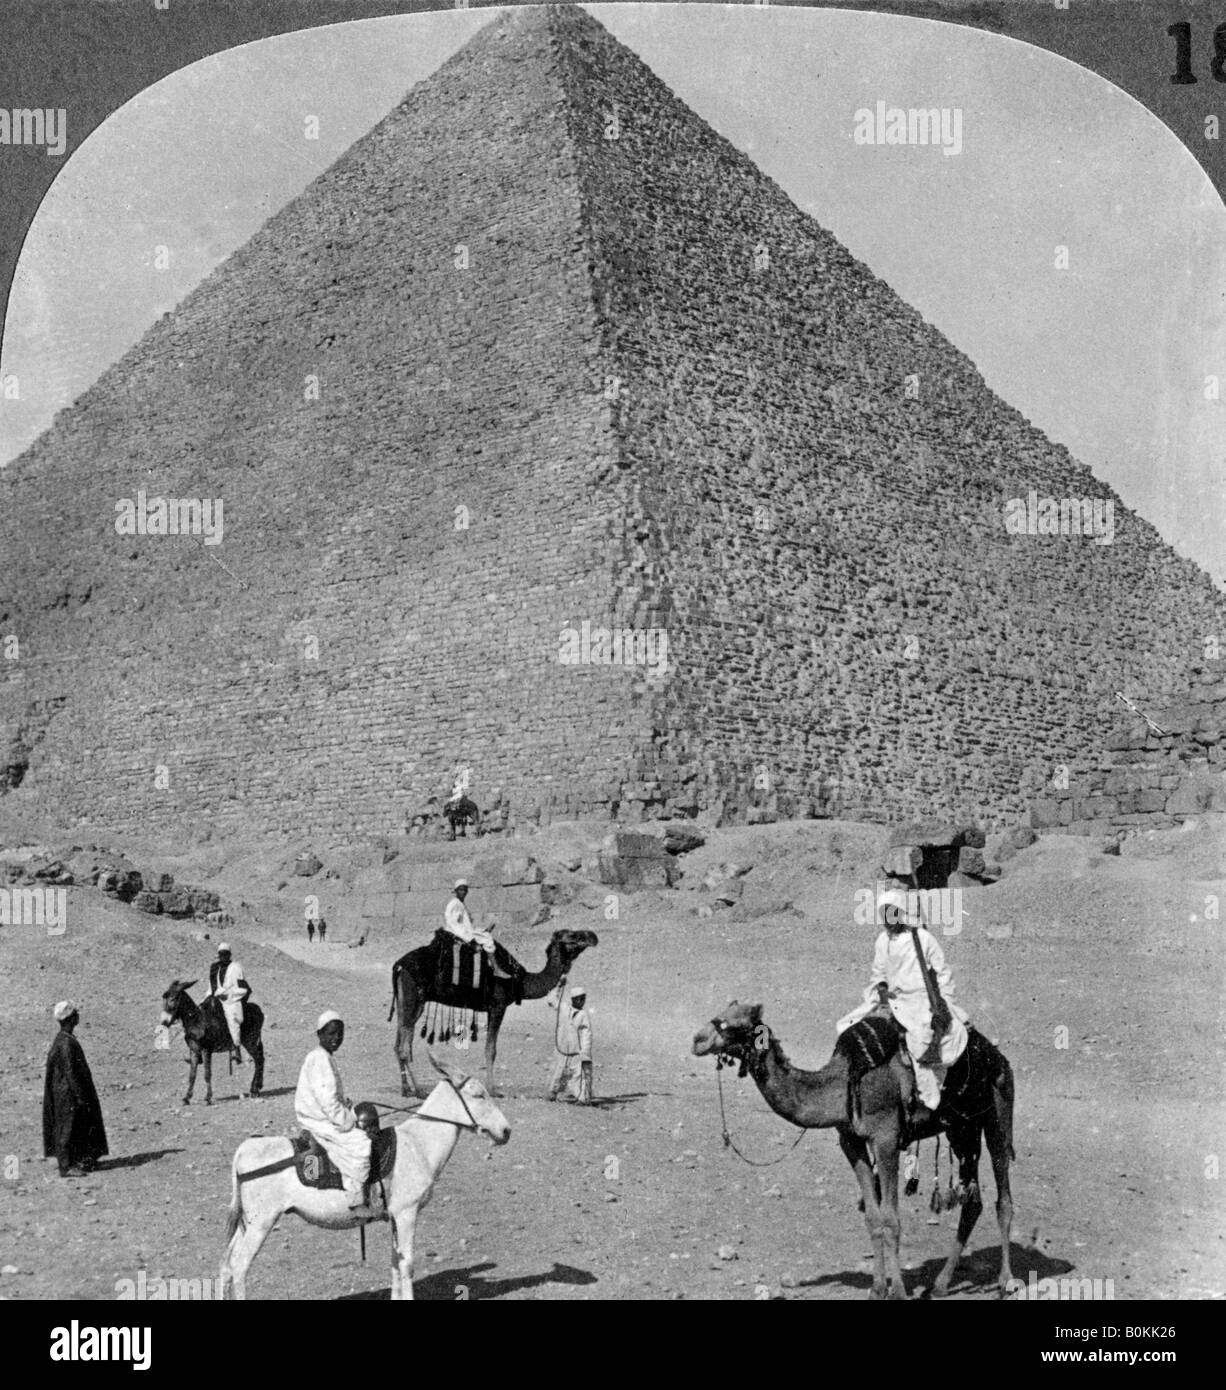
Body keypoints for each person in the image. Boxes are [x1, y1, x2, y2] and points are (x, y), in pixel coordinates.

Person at [836, 885, 968, 1112]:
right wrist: (882, 989)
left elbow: (943, 972)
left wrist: (943, 1002)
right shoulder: (882, 941)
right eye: (884, 914)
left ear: (901, 912)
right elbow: (878, 973)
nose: (888, 919)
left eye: (893, 913)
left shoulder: (922, 938)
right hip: (892, 999)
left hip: (920, 1000)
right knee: (849, 1027)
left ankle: (928, 1100)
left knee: (921, 1044)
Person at [294, 1010, 374, 1217]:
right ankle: (356, 1200)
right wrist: (348, 1120)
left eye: (340, 1034)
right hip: (318, 1121)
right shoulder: (320, 1059)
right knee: (360, 1143)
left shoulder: (323, 1057)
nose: (336, 1038)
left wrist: (345, 1105)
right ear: (319, 1034)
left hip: (319, 1115)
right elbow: (327, 1100)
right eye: (330, 1033)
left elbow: (329, 1096)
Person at [42, 1001, 108, 1177]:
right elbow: (71, 1071)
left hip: (67, 1091)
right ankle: (66, 1166)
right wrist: (79, 1095)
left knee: (76, 1125)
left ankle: (80, 1160)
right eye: (76, 1013)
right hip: (67, 1093)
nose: (79, 1015)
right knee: (67, 1127)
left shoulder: (64, 1039)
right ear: (71, 1018)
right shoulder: (65, 1043)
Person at [547, 986, 593, 1104]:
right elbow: (552, 999)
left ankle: (582, 1098)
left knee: (579, 1075)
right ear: (573, 999)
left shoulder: (583, 1015)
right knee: (557, 1071)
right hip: (561, 1048)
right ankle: (552, 1093)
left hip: (576, 1051)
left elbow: (586, 1034)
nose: (582, 1001)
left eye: (584, 999)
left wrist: (585, 1051)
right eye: (579, 999)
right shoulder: (563, 1008)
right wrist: (559, 986)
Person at [207, 943, 249, 1065]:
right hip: (216, 997)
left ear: (229, 955)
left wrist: (229, 995)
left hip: (231, 1000)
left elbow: (243, 989)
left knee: (231, 1018)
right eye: (220, 954)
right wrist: (208, 997)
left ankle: (236, 1048)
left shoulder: (236, 967)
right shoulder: (215, 968)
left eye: (225, 954)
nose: (222, 957)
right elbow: (211, 987)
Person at [443, 880, 495, 954]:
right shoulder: (455, 904)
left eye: (465, 890)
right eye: (461, 890)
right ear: (456, 891)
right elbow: (453, 924)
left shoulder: (460, 903)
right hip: (458, 933)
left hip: (464, 931)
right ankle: (494, 964)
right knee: (487, 940)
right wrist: (470, 939)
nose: (463, 892)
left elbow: (466, 922)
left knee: (485, 934)